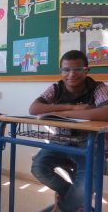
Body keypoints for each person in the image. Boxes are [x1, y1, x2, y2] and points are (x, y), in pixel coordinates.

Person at [29, 50, 108, 212]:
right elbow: (34, 108)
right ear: (60, 71)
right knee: (38, 166)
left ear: (86, 70)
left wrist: (61, 114)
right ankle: (78, 203)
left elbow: (106, 112)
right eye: (66, 70)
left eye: (77, 69)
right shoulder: (56, 88)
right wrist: (72, 107)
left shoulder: (98, 87)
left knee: (86, 182)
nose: (71, 74)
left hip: (89, 144)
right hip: (60, 141)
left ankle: (64, 207)